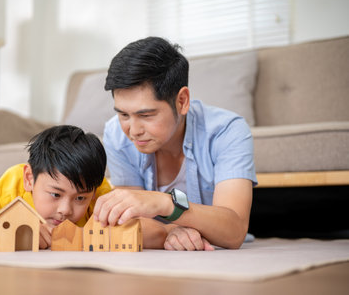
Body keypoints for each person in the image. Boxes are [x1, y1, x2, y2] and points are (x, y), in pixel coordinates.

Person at [93, 36, 257, 251]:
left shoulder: (228, 131)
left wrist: (166, 203)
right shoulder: (116, 133)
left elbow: (234, 231)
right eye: (123, 114)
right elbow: (128, 219)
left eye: (146, 115)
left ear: (182, 101)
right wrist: (170, 231)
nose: (133, 131)